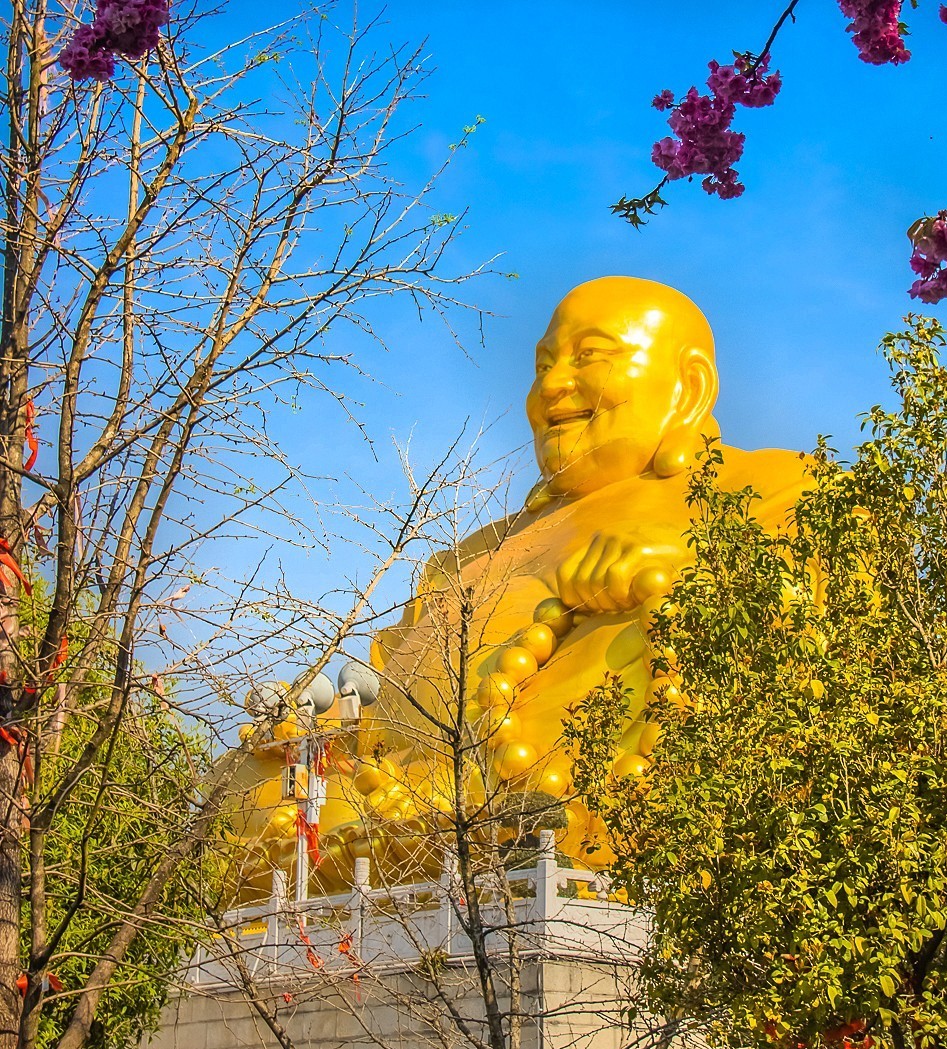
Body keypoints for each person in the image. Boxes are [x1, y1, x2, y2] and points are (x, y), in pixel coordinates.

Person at [232, 276, 817, 884]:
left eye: (589, 356)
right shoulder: (469, 557)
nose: (551, 388)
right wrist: (318, 738)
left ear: (688, 387)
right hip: (413, 827)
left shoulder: (777, 490)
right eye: (543, 365)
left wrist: (691, 567)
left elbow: (820, 651)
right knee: (244, 791)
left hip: (606, 832)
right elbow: (377, 721)